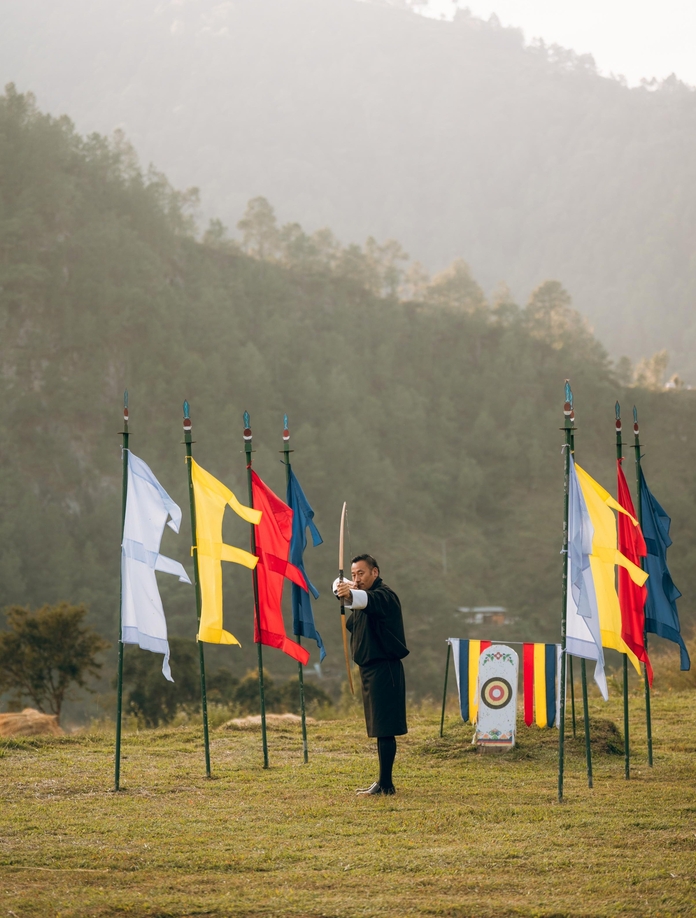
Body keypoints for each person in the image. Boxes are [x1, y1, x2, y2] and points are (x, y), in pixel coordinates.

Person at [334, 555, 409, 796]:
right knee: (379, 726)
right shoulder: (362, 599)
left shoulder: (385, 596)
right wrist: (342, 589)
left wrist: (349, 592)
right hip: (370, 670)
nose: (357, 579)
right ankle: (383, 782)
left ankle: (386, 784)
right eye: (353, 575)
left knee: (385, 727)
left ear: (375, 572)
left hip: (385, 668)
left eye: (361, 574)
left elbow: (368, 601)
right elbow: (355, 605)